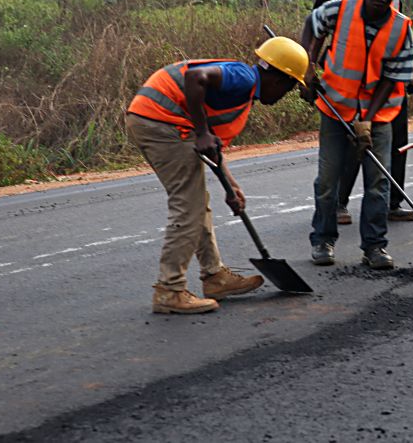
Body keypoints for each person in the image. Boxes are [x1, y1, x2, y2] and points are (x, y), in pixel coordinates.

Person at [125, 37, 308, 314]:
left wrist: (231, 187)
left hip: (159, 120)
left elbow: (213, 149)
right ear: (279, 79)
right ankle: (169, 290)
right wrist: (200, 132)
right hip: (163, 121)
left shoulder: (239, 95)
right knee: (188, 206)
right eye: (291, 87)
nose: (286, 94)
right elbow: (195, 77)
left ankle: (215, 277)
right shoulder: (244, 78)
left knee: (197, 202)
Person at [300, 0, 413, 270]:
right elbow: (312, 25)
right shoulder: (340, 10)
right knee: (327, 180)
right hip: (335, 107)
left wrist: (366, 119)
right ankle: (323, 239)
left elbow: (393, 79)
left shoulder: (402, 28)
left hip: (379, 116)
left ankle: (375, 247)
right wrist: (307, 66)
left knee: (377, 183)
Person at [312, 0, 413, 224]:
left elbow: (400, 30)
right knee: (351, 142)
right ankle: (339, 203)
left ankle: (391, 202)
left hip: (387, 82)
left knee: (394, 141)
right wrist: (312, 69)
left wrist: (412, 65)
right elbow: (317, 26)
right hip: (348, 82)